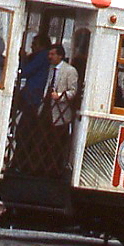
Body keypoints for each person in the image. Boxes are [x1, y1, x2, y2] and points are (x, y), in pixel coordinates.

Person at [41, 43, 79, 175]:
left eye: (52, 54)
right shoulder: (51, 69)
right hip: (47, 108)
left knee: (57, 141)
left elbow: (73, 91)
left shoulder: (70, 71)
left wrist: (60, 96)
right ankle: (44, 166)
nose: (49, 57)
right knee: (44, 138)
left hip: (60, 112)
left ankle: (55, 169)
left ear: (60, 56)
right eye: (49, 54)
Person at [17, 34, 51, 111]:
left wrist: (22, 59)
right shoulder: (42, 56)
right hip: (34, 93)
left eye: (34, 44)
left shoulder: (41, 56)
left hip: (33, 93)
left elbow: (25, 72)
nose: (31, 47)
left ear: (43, 46)